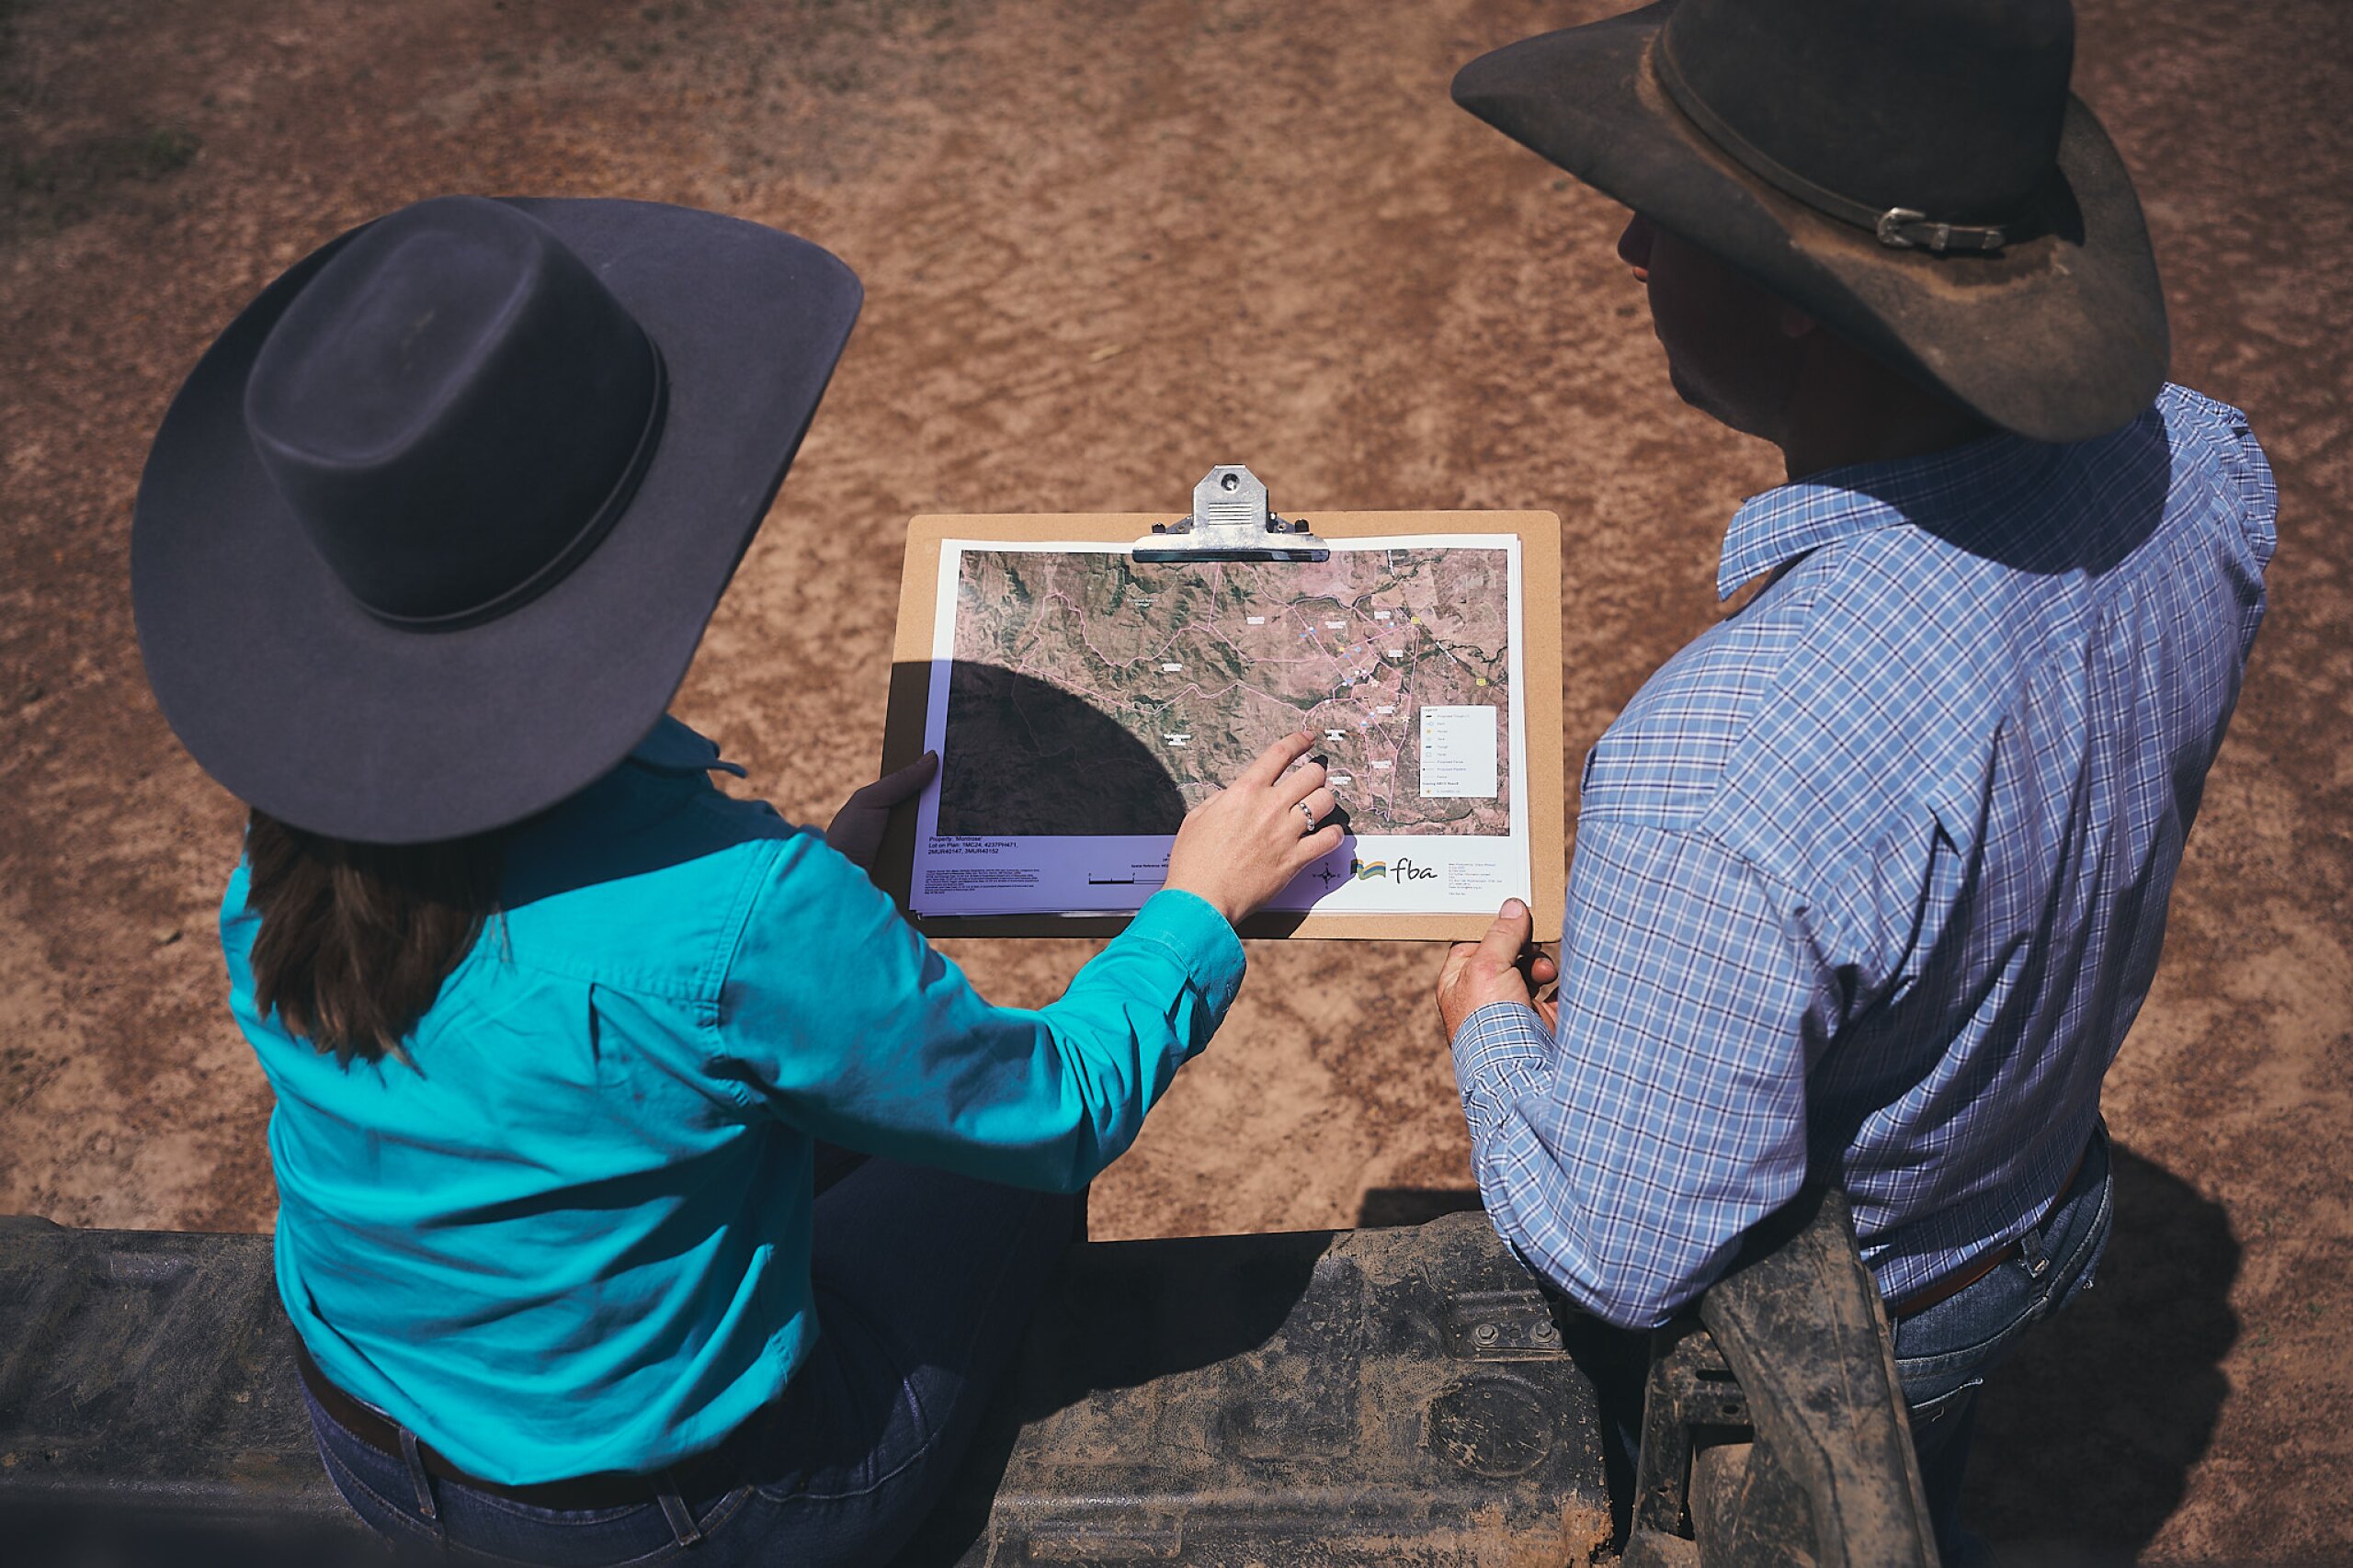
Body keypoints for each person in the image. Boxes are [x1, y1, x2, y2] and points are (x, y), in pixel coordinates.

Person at [130, 193, 1346, 1565]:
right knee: (1006, 1184)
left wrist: (819, 896)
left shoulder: (292, 849)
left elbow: (572, 1049)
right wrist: (1197, 902)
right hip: (677, 1513)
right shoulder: (737, 914)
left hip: (364, 1428)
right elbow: (1052, 1108)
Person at [1431, 0, 2276, 1557]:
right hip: (2037, 1198)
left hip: (1862, 1316)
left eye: (1672, 217)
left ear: (1797, 303)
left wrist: (1490, 1035)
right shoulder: (2200, 464)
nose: (1629, 248)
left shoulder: (1723, 760)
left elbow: (1626, 1250)